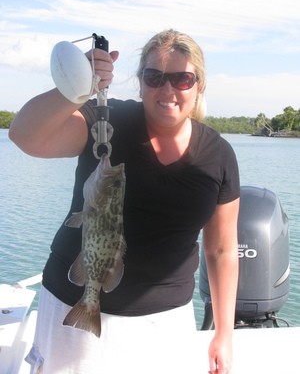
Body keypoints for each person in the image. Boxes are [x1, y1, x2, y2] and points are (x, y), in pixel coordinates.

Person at [9, 29, 240, 374]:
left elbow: (221, 250)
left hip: (164, 323)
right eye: (154, 77)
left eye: (182, 78)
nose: (167, 90)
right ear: (140, 81)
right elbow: (25, 136)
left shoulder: (218, 155)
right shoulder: (106, 119)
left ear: (198, 85)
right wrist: (78, 88)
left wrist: (224, 333)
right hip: (73, 311)